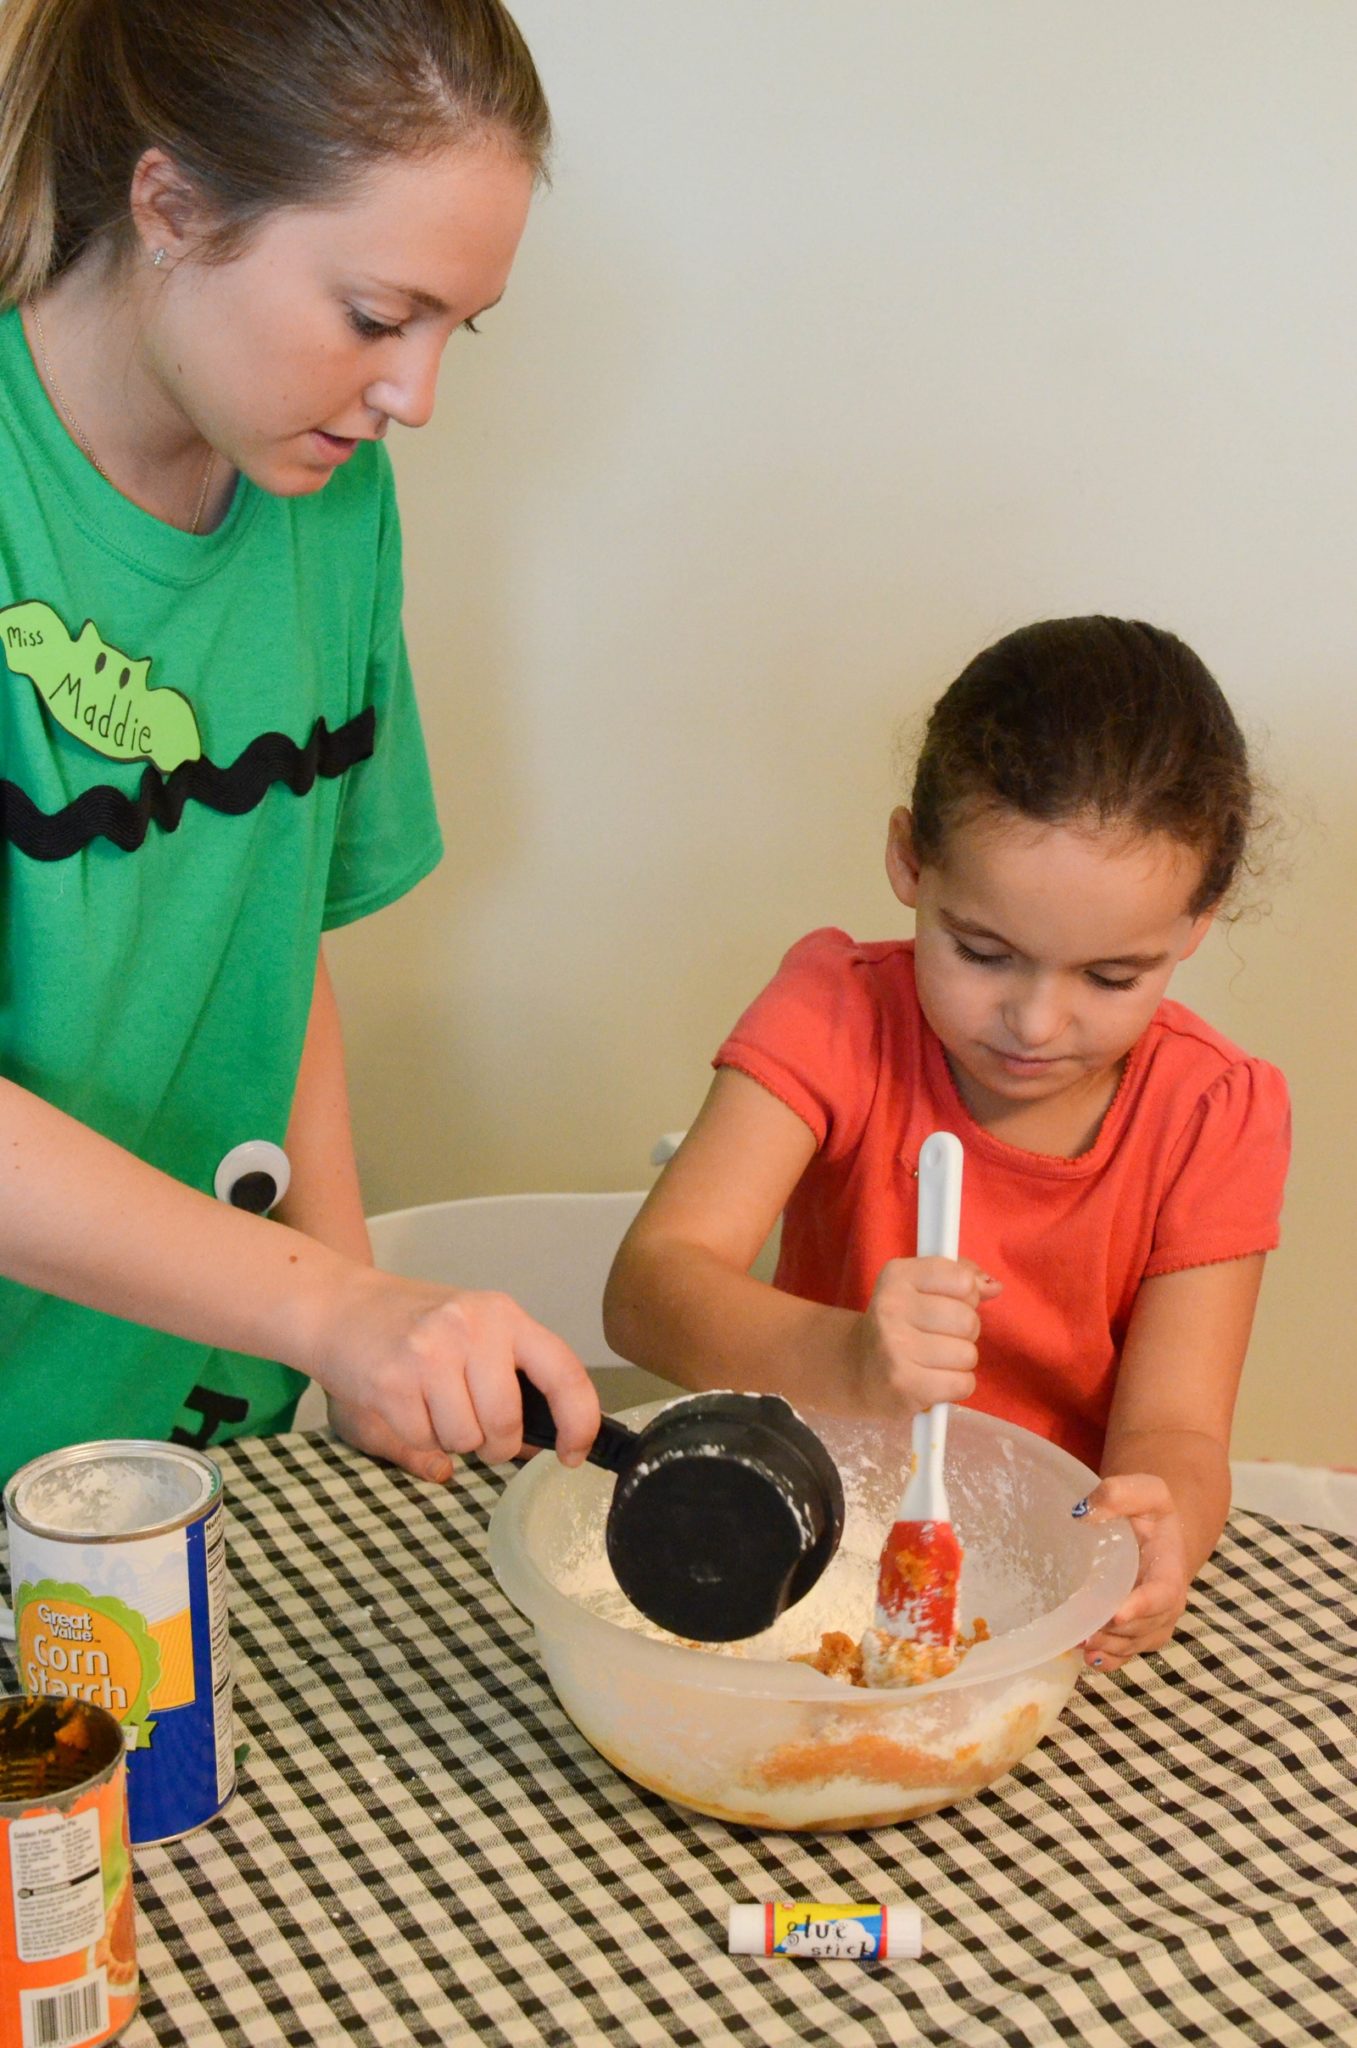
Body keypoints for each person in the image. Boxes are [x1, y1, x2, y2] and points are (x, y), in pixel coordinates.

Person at [0, 0, 600, 1490]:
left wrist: (349, 1347)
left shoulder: (330, 508)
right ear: (173, 206)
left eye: (458, 328)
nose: (417, 396)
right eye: (378, 317)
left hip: (201, 1431)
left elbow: (269, 940)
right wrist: (339, 1305)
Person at [604, 617, 1291, 1674]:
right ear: (909, 862)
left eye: (1111, 977)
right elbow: (649, 1291)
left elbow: (1177, 1433)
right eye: (983, 950)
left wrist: (1165, 1531)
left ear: (1195, 926)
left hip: (1045, 1593)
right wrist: (852, 1359)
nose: (1035, 1021)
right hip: (810, 1555)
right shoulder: (832, 1015)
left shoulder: (1215, 1112)